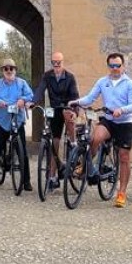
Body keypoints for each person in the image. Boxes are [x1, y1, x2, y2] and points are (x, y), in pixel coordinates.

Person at [70, 53, 132, 208]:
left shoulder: (129, 83)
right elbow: (90, 98)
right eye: (112, 66)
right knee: (95, 139)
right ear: (108, 66)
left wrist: (122, 110)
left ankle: (121, 191)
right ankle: (87, 166)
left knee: (124, 157)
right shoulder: (103, 81)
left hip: (124, 122)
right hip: (108, 120)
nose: (115, 69)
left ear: (123, 66)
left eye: (118, 66)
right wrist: (76, 102)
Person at [0, 59, 34, 192]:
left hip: (17, 120)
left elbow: (30, 95)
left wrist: (23, 100)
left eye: (11, 68)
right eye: (6, 68)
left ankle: (26, 181)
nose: (9, 71)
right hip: (1, 120)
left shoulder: (22, 83)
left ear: (15, 70)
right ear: (2, 71)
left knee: (22, 150)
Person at [32, 51, 79, 192]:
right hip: (55, 110)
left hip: (67, 108)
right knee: (54, 143)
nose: (56, 65)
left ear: (63, 62)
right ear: (51, 63)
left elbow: (75, 95)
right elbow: (40, 89)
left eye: (59, 62)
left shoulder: (70, 77)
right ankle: (52, 177)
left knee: (67, 113)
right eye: (54, 63)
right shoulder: (47, 76)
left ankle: (73, 142)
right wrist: (33, 102)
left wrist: (74, 109)